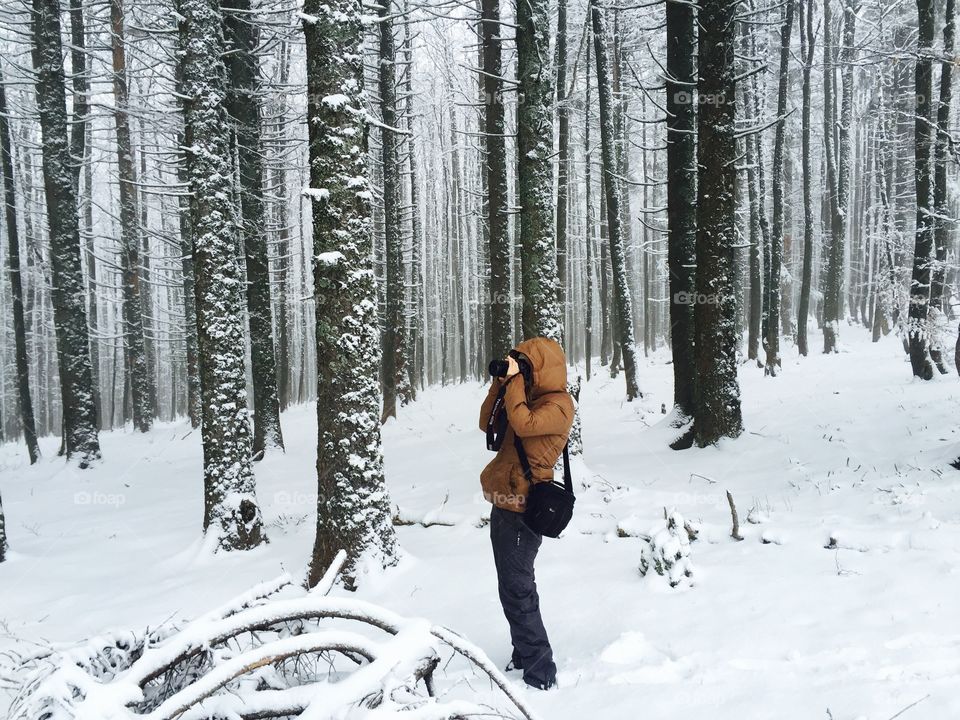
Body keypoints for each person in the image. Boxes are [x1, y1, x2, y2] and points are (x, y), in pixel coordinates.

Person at [478, 336, 574, 691]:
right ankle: (523, 654)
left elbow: (524, 425)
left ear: (541, 371)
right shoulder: (523, 396)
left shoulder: (561, 405)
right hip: (503, 503)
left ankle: (540, 671)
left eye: (525, 368)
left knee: (519, 589)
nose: (520, 375)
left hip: (524, 508)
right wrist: (499, 385)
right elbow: (485, 422)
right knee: (510, 588)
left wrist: (516, 382)